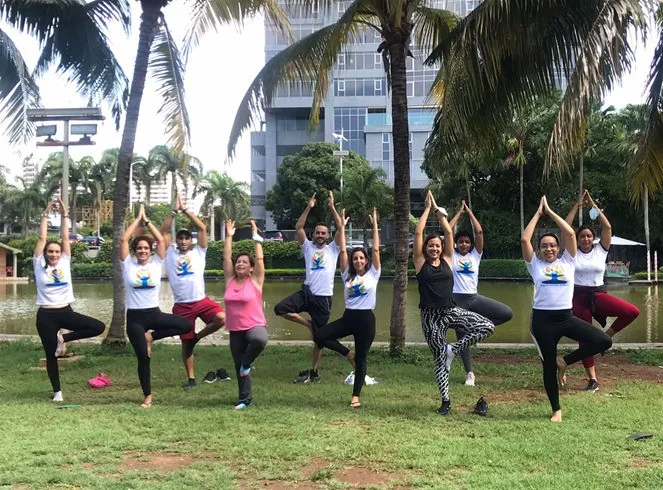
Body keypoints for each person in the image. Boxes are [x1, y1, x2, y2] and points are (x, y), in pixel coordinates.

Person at [522, 196, 612, 422]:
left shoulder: (568, 262)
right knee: (548, 366)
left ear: (559, 247)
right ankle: (556, 409)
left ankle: (567, 361)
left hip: (566, 317)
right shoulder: (535, 265)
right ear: (540, 250)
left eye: (552, 245)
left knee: (603, 341)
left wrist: (550, 212)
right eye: (544, 246)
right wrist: (538, 213)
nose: (549, 248)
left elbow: (570, 234)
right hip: (542, 322)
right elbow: (525, 239)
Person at [414, 191, 495, 416]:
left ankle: (455, 349)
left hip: (450, 311)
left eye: (437, 246)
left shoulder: (449, 260)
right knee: (440, 361)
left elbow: (449, 232)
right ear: (425, 249)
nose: (435, 248)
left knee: (487, 326)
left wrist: (440, 214)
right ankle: (446, 401)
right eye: (431, 246)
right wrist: (427, 210)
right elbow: (419, 232)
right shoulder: (420, 263)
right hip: (430, 317)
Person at [274, 192, 354, 383]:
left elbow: (340, 230)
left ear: (327, 236)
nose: (320, 235)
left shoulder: (333, 248)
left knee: (319, 339)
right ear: (314, 235)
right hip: (306, 293)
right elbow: (298, 226)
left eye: (323, 233)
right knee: (280, 309)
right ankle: (309, 324)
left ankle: (315, 372)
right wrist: (309, 207)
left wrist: (332, 208)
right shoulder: (308, 247)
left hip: (323, 298)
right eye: (317, 232)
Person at [565, 189, 640, 392]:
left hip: (598, 295)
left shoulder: (601, 250)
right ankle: (592, 379)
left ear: (593, 238)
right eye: (582, 237)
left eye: (589, 236)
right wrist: (576, 206)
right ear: (578, 239)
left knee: (632, 311)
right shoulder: (572, 253)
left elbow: (607, 227)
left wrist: (593, 206)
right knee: (584, 338)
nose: (586, 239)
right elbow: (566, 229)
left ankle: (606, 337)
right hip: (579, 297)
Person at [34, 198, 105, 402]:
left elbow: (66, 237)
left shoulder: (65, 260)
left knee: (98, 326)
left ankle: (63, 339)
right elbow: (41, 237)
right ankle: (57, 392)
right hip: (46, 315)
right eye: (50, 251)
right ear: (45, 254)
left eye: (56, 251)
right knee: (51, 355)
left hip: (66, 311)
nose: (54, 254)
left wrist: (65, 215)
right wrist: (46, 214)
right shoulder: (39, 264)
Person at [120, 204, 192, 408]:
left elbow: (161, 240)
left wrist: (147, 221)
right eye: (139, 248)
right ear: (135, 251)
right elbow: (124, 239)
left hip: (154, 314)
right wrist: (137, 220)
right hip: (134, 318)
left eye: (145, 248)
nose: (142, 251)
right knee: (143, 358)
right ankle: (148, 396)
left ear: (150, 250)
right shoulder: (128, 265)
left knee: (186, 325)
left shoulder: (156, 263)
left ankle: (152, 336)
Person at [314, 207, 380, 408]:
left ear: (366, 261)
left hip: (366, 320)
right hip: (349, 317)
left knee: (362, 359)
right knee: (319, 336)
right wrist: (341, 227)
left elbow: (376, 249)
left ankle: (356, 396)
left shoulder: (374, 274)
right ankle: (346, 353)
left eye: (361, 258)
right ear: (352, 262)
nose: (358, 260)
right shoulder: (346, 275)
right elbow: (342, 250)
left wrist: (375, 225)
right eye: (355, 258)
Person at [160, 194, 226, 390]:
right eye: (179, 238)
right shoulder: (170, 252)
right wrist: (173, 212)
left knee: (221, 318)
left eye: (186, 238)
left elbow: (202, 228)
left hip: (201, 300)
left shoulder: (199, 252)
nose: (182, 241)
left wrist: (185, 209)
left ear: (191, 240)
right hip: (182, 305)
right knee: (185, 345)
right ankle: (191, 379)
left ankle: (198, 337)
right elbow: (161, 232)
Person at [448, 201, 513, 386]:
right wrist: (458, 215)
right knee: (462, 339)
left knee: (506, 313)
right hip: (457, 300)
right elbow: (447, 230)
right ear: (456, 243)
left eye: (467, 242)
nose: (464, 244)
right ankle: (470, 373)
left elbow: (480, 233)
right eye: (460, 242)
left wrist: (469, 213)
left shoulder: (475, 255)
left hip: (473, 298)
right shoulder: (451, 255)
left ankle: (477, 329)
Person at [223, 219, 269, 410]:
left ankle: (247, 363)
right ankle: (244, 399)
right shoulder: (230, 280)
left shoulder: (256, 281)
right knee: (238, 366)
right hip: (235, 330)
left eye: (244, 262)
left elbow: (260, 260)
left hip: (254, 326)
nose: (240, 263)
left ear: (251, 268)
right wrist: (229, 236)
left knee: (259, 340)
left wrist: (256, 237)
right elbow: (226, 258)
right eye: (238, 261)